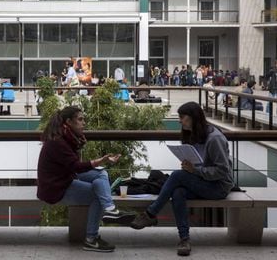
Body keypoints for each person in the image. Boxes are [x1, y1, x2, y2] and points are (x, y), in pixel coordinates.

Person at [130, 101, 234, 257]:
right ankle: (184, 239)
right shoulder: (192, 135)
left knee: (177, 176)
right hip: (203, 182)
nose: (179, 120)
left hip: (218, 187)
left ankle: (151, 214)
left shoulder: (214, 139)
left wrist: (195, 170)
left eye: (182, 117)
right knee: (178, 192)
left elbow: (223, 171)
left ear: (193, 118)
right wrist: (190, 166)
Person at [37, 106, 135, 253]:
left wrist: (101, 162)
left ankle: (110, 209)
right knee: (98, 195)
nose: (84, 123)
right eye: (80, 119)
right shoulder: (58, 141)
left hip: (65, 177)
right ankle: (92, 238)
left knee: (101, 175)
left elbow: (74, 166)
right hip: (55, 187)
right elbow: (76, 166)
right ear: (69, 122)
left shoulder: (67, 136)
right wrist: (99, 161)